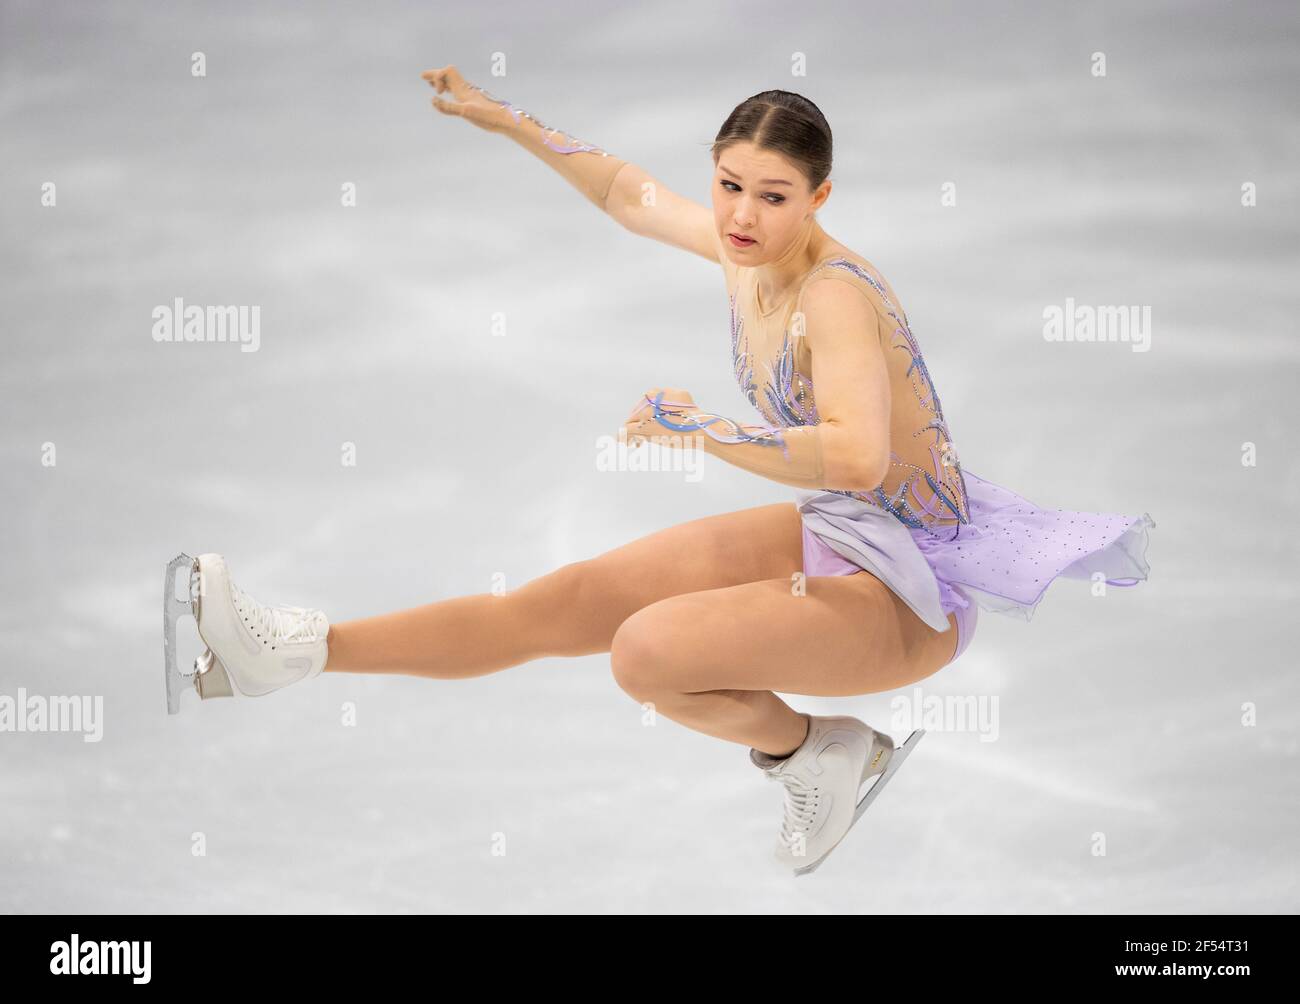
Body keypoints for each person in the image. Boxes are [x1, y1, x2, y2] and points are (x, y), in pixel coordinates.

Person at [163, 69, 1155, 875]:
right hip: (842, 534)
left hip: (912, 590)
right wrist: (509, 121)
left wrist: (705, 433)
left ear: (817, 199)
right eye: (728, 184)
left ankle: (811, 750)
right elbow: (632, 195)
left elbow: (854, 449)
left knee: (643, 651)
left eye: (772, 196)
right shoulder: (743, 250)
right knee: (567, 600)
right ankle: (288, 654)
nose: (739, 214)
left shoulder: (836, 297)